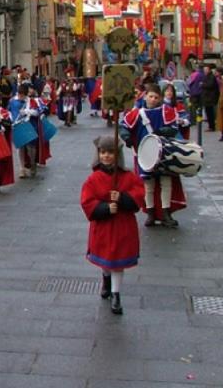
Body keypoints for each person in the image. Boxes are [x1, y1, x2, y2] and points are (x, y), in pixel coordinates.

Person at [80, 135, 145, 316]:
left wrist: (124, 198)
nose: (106, 156)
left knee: (118, 262)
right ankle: (106, 279)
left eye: (110, 152)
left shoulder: (128, 177)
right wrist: (105, 208)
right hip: (104, 227)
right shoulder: (93, 179)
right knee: (106, 260)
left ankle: (116, 294)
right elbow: (87, 201)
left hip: (122, 226)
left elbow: (138, 195)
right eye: (103, 152)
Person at [121, 83, 187, 228]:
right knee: (148, 185)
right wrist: (127, 137)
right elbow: (124, 126)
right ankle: (150, 214)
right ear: (145, 96)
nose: (153, 99)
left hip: (164, 153)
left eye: (156, 97)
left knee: (166, 182)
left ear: (160, 98)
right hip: (144, 153)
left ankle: (166, 213)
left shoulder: (167, 111)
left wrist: (162, 131)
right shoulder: (137, 113)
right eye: (150, 96)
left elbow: (173, 128)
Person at [8, 84, 47, 179]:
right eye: (20, 94)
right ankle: (22, 169)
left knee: (31, 147)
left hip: (29, 126)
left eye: (23, 95)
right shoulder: (12, 101)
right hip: (17, 125)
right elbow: (8, 111)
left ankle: (32, 162)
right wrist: (10, 119)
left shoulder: (31, 101)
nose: (21, 97)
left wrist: (27, 111)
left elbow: (37, 112)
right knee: (20, 147)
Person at [201, 64, 219, 132]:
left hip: (210, 98)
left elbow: (210, 85)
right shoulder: (207, 76)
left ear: (209, 70)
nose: (204, 71)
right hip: (207, 98)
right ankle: (211, 126)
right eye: (204, 70)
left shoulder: (211, 76)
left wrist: (202, 84)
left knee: (210, 113)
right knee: (208, 112)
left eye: (206, 70)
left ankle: (212, 126)